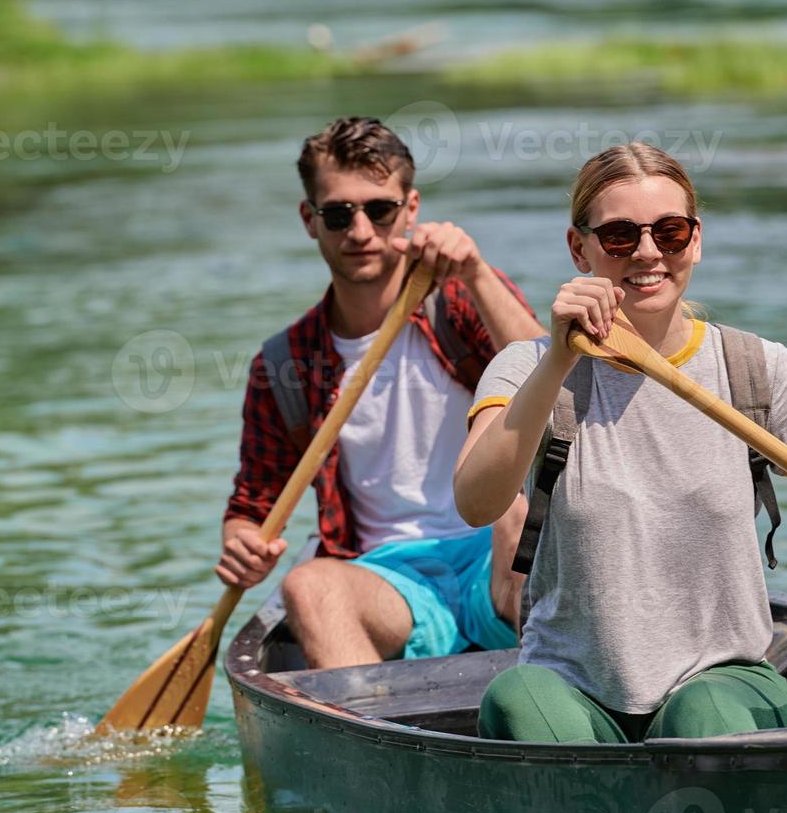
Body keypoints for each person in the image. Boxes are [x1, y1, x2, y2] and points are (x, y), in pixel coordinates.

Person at [453, 143, 787, 743]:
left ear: (695, 240)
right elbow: (476, 503)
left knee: (701, 719)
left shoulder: (758, 370)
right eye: (620, 236)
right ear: (579, 248)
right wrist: (560, 360)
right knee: (518, 700)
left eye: (669, 232)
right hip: (571, 687)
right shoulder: (528, 368)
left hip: (724, 682)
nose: (648, 253)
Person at [218, 117, 544, 669]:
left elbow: (554, 381)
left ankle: (551, 696)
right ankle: (372, 732)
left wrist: (478, 275)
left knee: (519, 516)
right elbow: (253, 504)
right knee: (308, 587)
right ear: (310, 220)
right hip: (384, 577)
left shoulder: (462, 300)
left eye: (380, 210)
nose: (361, 231)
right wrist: (241, 540)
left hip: (492, 557)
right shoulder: (283, 363)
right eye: (339, 214)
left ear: (410, 209)